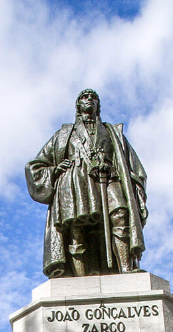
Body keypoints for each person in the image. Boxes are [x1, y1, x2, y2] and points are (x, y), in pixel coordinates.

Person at [26, 89, 148, 278]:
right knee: (77, 229)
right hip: (75, 182)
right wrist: (56, 170)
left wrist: (136, 189)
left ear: (98, 106)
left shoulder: (112, 132)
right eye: (85, 97)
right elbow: (35, 165)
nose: (89, 100)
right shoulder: (64, 134)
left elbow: (133, 167)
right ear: (78, 105)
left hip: (109, 178)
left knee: (120, 214)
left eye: (94, 98)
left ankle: (126, 268)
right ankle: (81, 279)